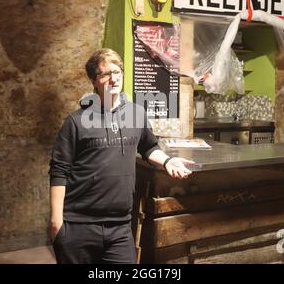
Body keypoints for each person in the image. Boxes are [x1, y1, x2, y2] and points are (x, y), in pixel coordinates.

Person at [49, 48, 194, 264]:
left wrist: (167, 160)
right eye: (105, 74)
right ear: (94, 80)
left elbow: (148, 147)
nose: (113, 78)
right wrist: (56, 223)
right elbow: (59, 171)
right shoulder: (76, 121)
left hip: (120, 226)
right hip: (79, 225)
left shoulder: (136, 114)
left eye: (117, 72)